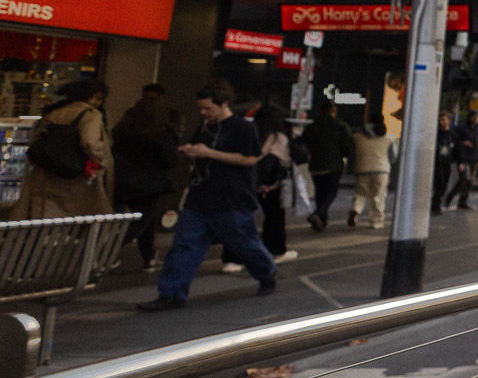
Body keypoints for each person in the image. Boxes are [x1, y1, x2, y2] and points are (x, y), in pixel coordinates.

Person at [136, 80, 278, 310]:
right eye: (201, 108)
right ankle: (171, 293)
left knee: (243, 243)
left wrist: (209, 153)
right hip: (200, 195)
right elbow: (202, 152)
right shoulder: (205, 127)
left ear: (224, 104)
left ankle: (266, 272)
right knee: (184, 245)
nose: (203, 113)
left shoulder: (242, 128)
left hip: (232, 197)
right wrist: (191, 153)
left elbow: (250, 159)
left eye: (208, 108)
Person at [11, 78, 114, 219]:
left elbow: (36, 139)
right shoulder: (90, 115)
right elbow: (90, 143)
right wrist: (100, 161)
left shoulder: (55, 112)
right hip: (75, 178)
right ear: (96, 95)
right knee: (75, 219)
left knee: (45, 217)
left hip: (45, 175)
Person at [111, 88, 180, 269]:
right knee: (142, 220)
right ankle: (109, 253)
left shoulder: (123, 130)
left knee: (142, 220)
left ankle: (148, 256)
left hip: (122, 180)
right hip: (149, 182)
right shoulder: (162, 133)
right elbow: (169, 160)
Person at [251, 104, 298, 265]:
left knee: (243, 218)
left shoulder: (250, 133)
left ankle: (233, 258)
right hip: (272, 184)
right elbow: (285, 161)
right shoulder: (278, 138)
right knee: (275, 217)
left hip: (249, 181)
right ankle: (276, 249)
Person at [302, 101, 351, 231]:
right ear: (333, 112)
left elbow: (304, 142)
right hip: (333, 165)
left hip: (315, 165)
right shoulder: (340, 126)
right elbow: (347, 147)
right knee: (330, 192)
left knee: (320, 192)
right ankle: (318, 214)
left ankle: (321, 221)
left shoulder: (312, 127)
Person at [350, 118, 394, 229]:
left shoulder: (357, 137)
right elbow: (393, 156)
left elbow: (352, 153)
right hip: (381, 170)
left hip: (362, 169)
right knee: (378, 196)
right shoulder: (389, 138)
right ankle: (376, 221)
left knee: (361, 193)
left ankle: (356, 209)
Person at [446, 113, 478, 210]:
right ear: (469, 117)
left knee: (470, 181)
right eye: (473, 117)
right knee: (464, 178)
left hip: (474, 158)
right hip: (463, 158)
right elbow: (452, 139)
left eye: (477, 117)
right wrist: (462, 143)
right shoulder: (460, 128)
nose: (475, 119)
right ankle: (450, 197)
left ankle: (462, 201)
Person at [431, 112, 457, 215]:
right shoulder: (436, 134)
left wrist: (460, 161)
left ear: (448, 121)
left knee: (443, 185)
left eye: (444, 120)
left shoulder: (452, 135)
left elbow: (457, 148)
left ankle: (437, 203)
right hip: (437, 162)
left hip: (447, 163)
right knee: (439, 183)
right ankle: (435, 205)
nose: (442, 122)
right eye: (440, 120)